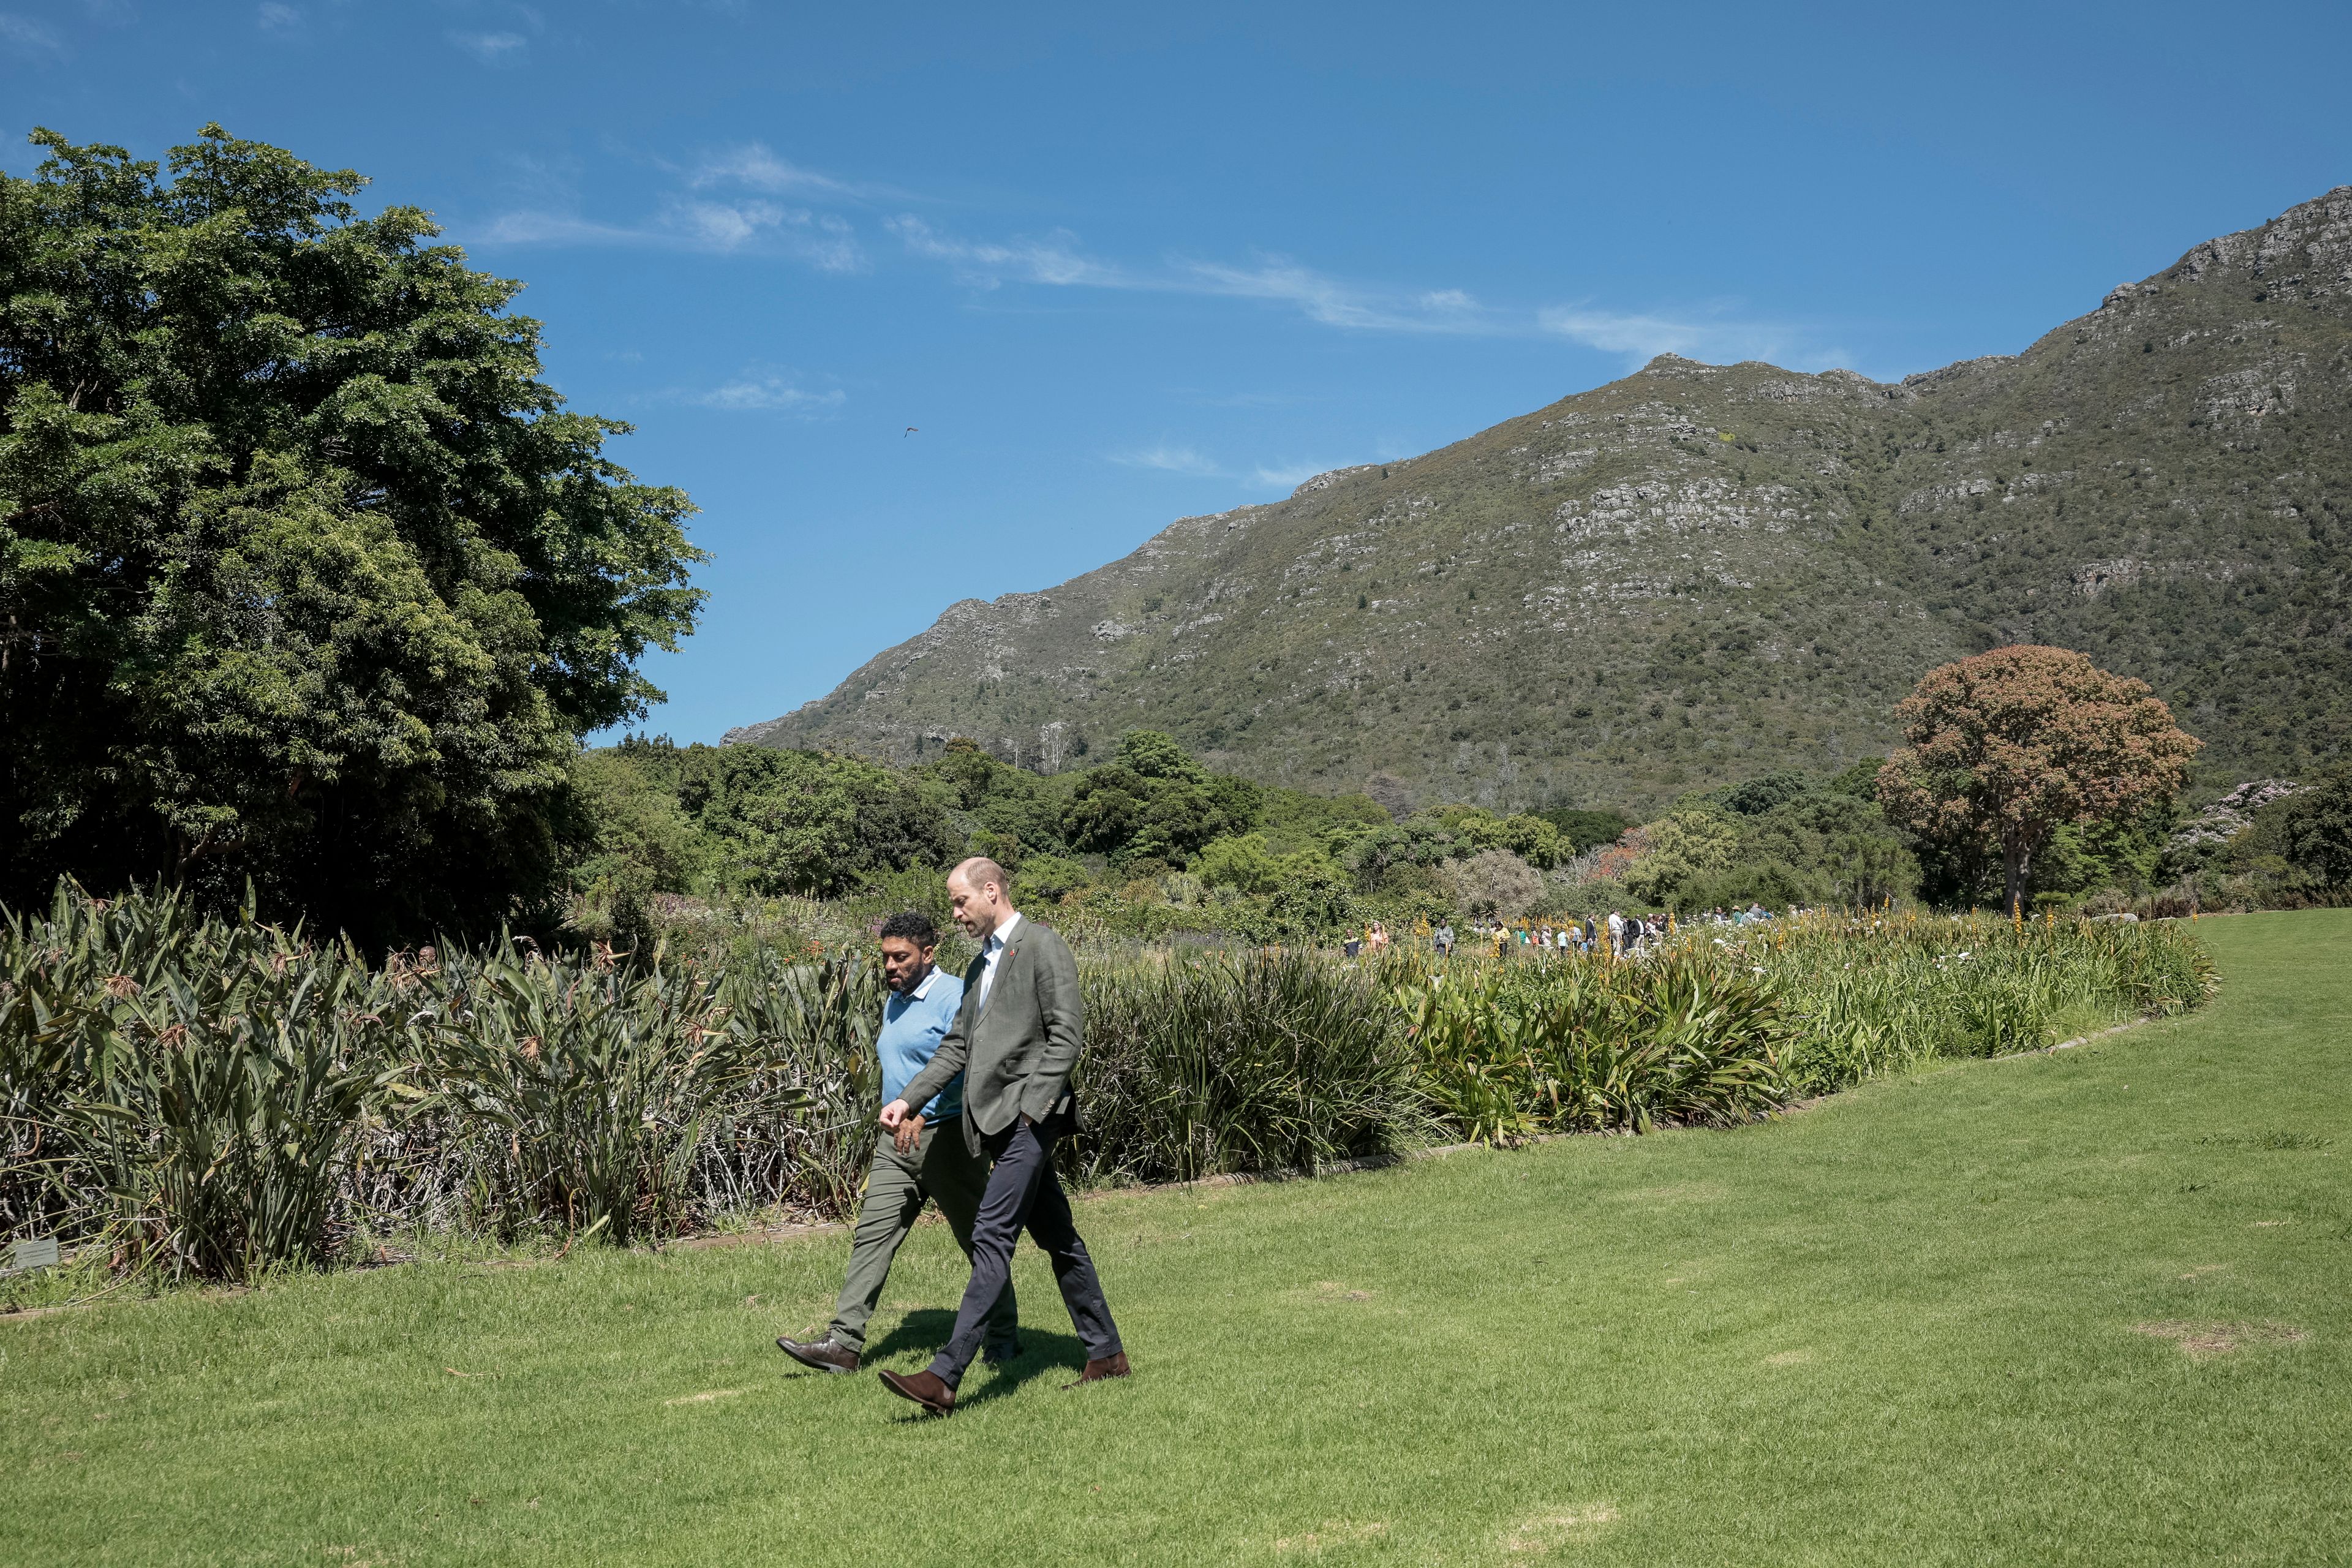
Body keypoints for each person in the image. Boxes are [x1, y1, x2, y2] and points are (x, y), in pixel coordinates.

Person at [872, 858, 1126, 1415]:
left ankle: (944, 1376)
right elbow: (957, 1049)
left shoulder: (1042, 945)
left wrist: (1034, 1112)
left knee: (990, 1234)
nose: (956, 913)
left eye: (961, 902)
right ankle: (1106, 1355)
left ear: (992, 892)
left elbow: (1067, 1035)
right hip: (997, 1124)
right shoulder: (977, 968)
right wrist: (907, 1099)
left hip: (1029, 1121)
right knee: (1059, 1237)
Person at [776, 912, 1018, 1375]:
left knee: (979, 1242)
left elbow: (968, 1064)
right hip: (895, 1144)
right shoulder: (896, 1001)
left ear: (929, 954)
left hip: (945, 1138)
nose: (890, 966)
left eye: (901, 957)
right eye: (886, 957)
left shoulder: (956, 995)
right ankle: (843, 1346)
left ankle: (1003, 1336)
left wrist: (923, 1110)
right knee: (872, 1237)